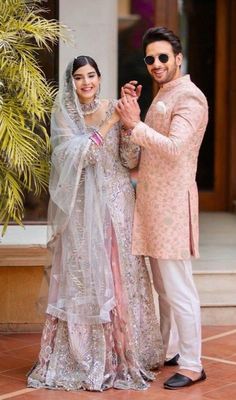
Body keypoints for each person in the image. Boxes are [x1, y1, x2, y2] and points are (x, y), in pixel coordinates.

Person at [27, 55, 163, 392]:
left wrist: (130, 124)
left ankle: (126, 353)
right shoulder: (64, 115)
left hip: (116, 205)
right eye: (78, 77)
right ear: (71, 82)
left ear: (100, 78)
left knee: (119, 277)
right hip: (81, 212)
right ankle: (83, 355)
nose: (85, 82)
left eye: (91, 75)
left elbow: (128, 159)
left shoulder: (114, 108)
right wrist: (107, 123)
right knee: (86, 279)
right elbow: (74, 157)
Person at [116, 27, 208, 390]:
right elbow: (147, 156)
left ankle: (192, 363)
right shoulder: (164, 94)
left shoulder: (190, 98)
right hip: (153, 207)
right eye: (150, 59)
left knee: (179, 288)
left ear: (179, 58)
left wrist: (134, 124)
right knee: (164, 289)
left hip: (172, 209)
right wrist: (134, 115)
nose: (155, 64)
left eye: (163, 57)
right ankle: (172, 350)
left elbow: (174, 148)